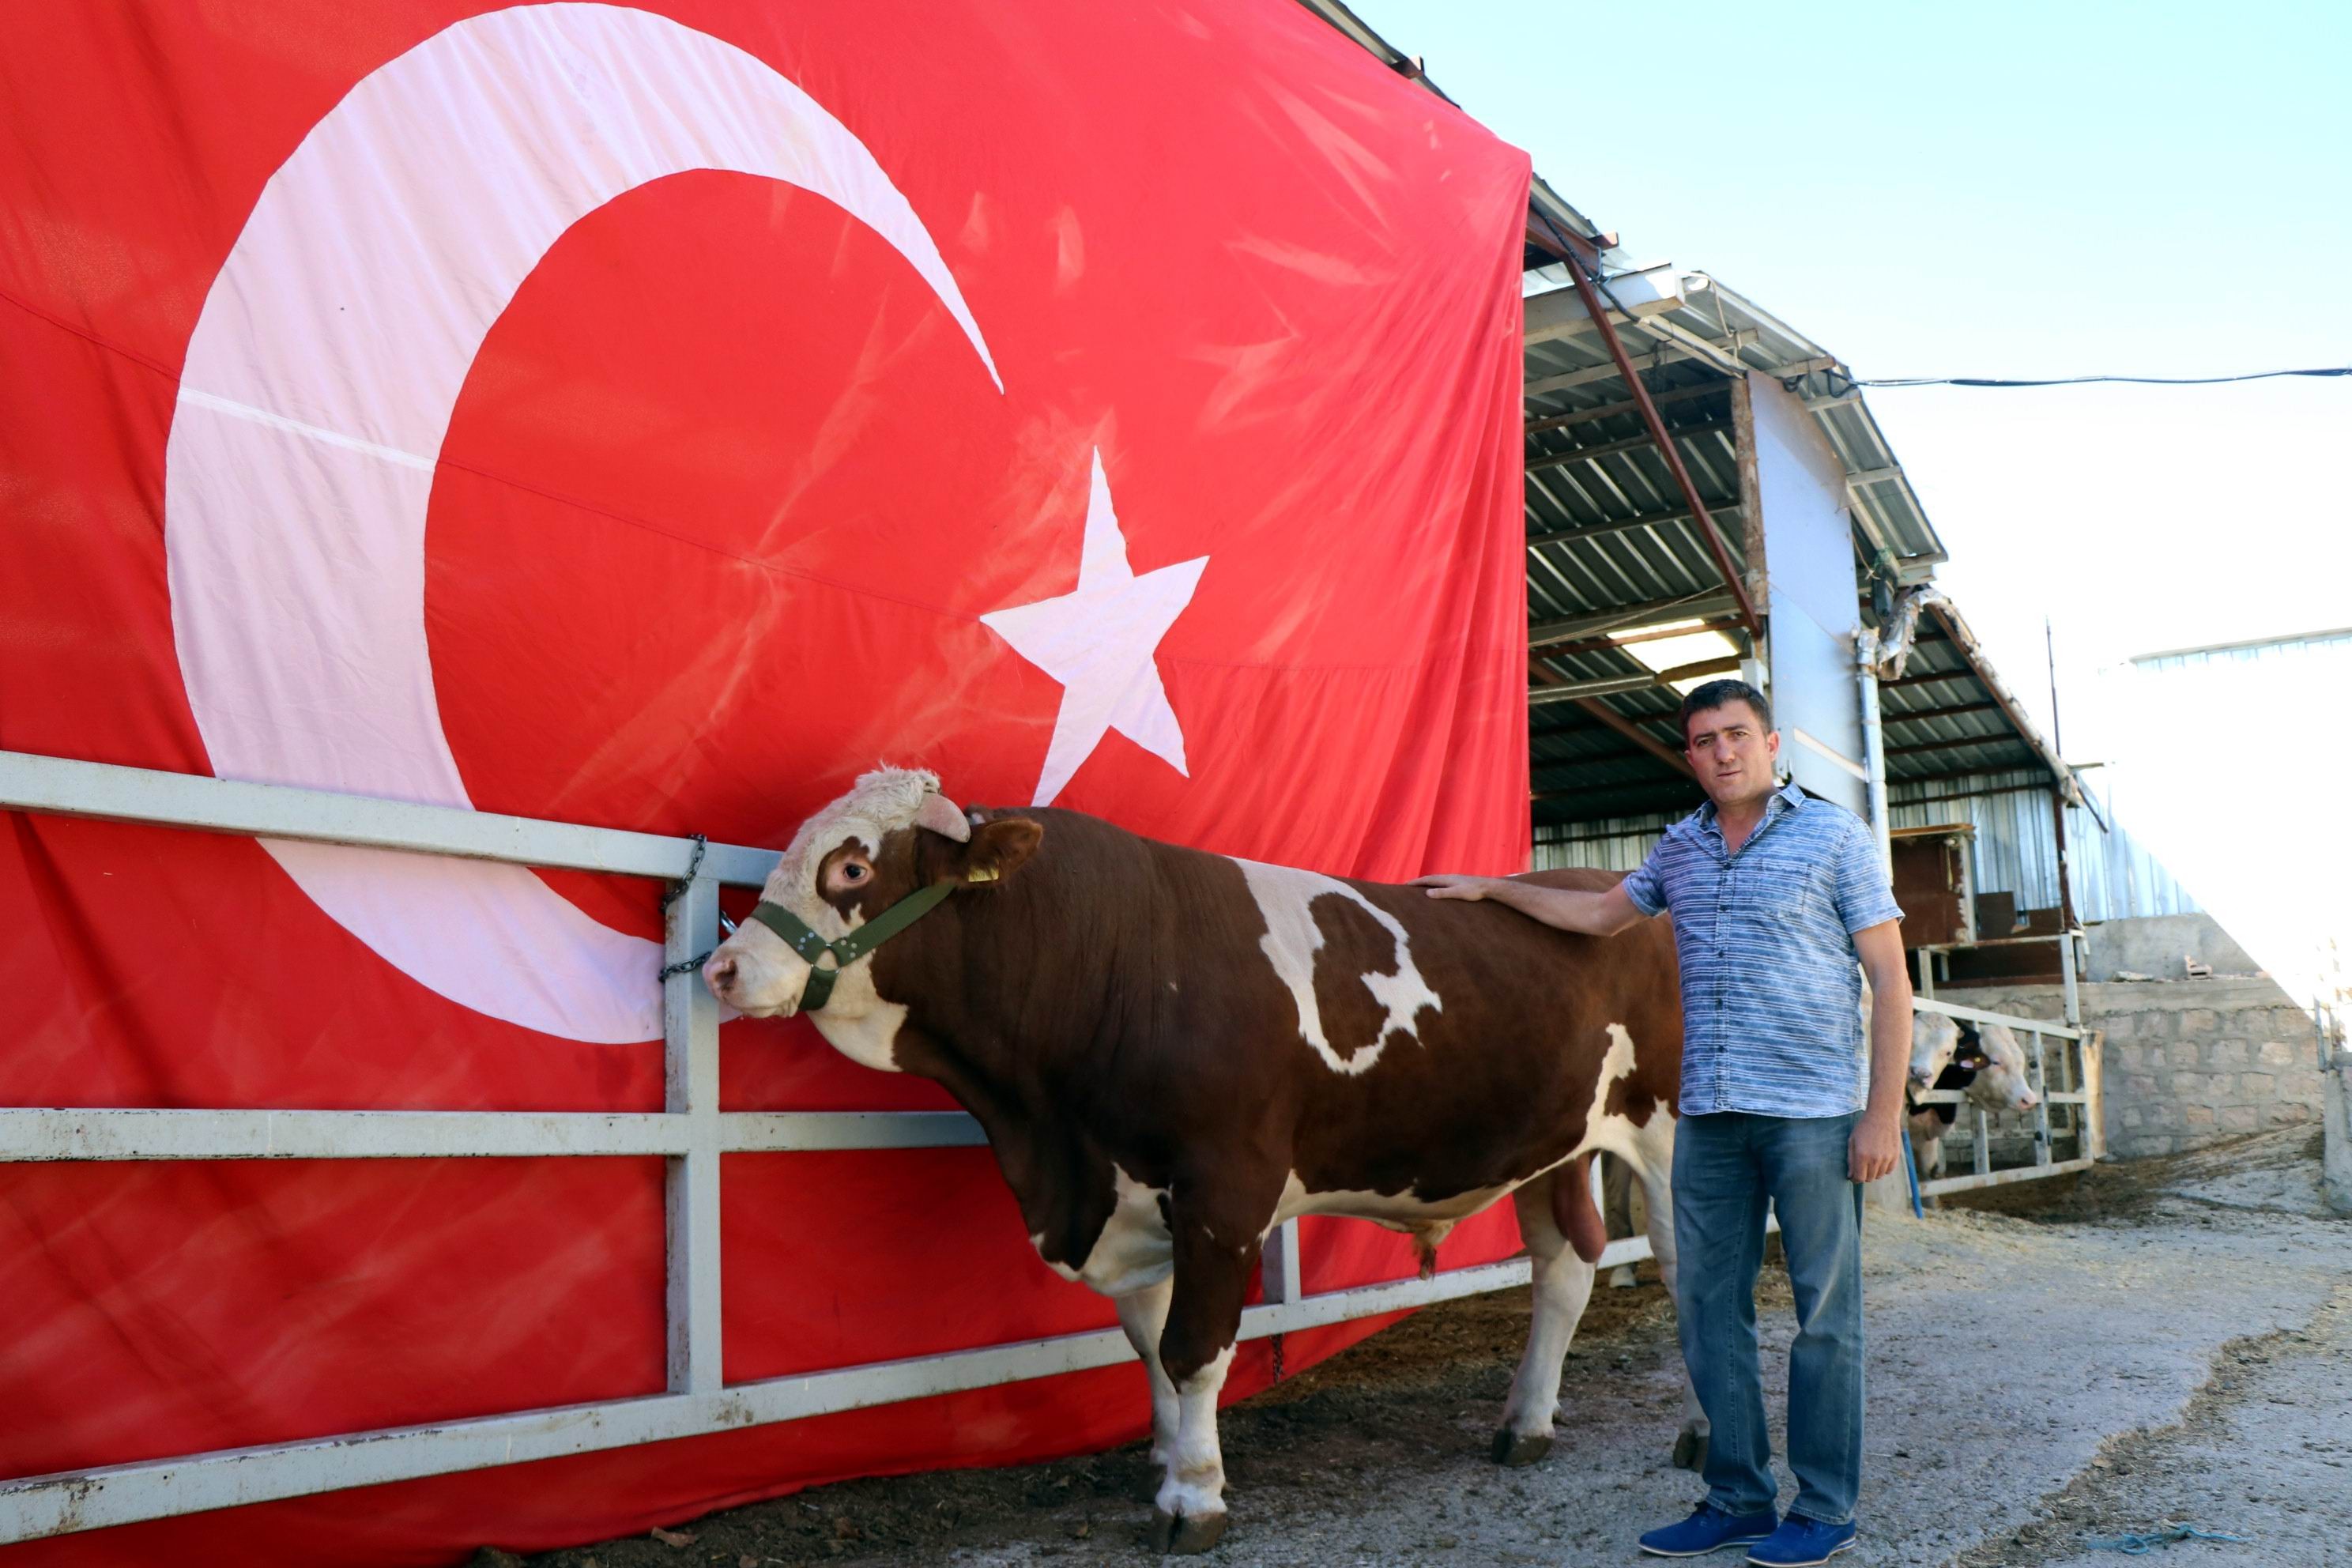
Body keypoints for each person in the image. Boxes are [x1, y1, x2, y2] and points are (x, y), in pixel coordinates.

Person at [1412, 678, 1909, 1567]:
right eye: (1704, 740)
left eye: (1737, 734)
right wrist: (1493, 891)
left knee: (1824, 1313)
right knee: (1709, 1309)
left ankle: (1825, 1507)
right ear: (1689, 756)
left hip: (1810, 1115)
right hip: (1710, 1117)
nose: (1723, 751)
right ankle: (1737, 1496)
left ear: (1773, 740)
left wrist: (1881, 1115)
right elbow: (1602, 914)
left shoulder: (1835, 836)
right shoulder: (1680, 847)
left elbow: (1892, 982)